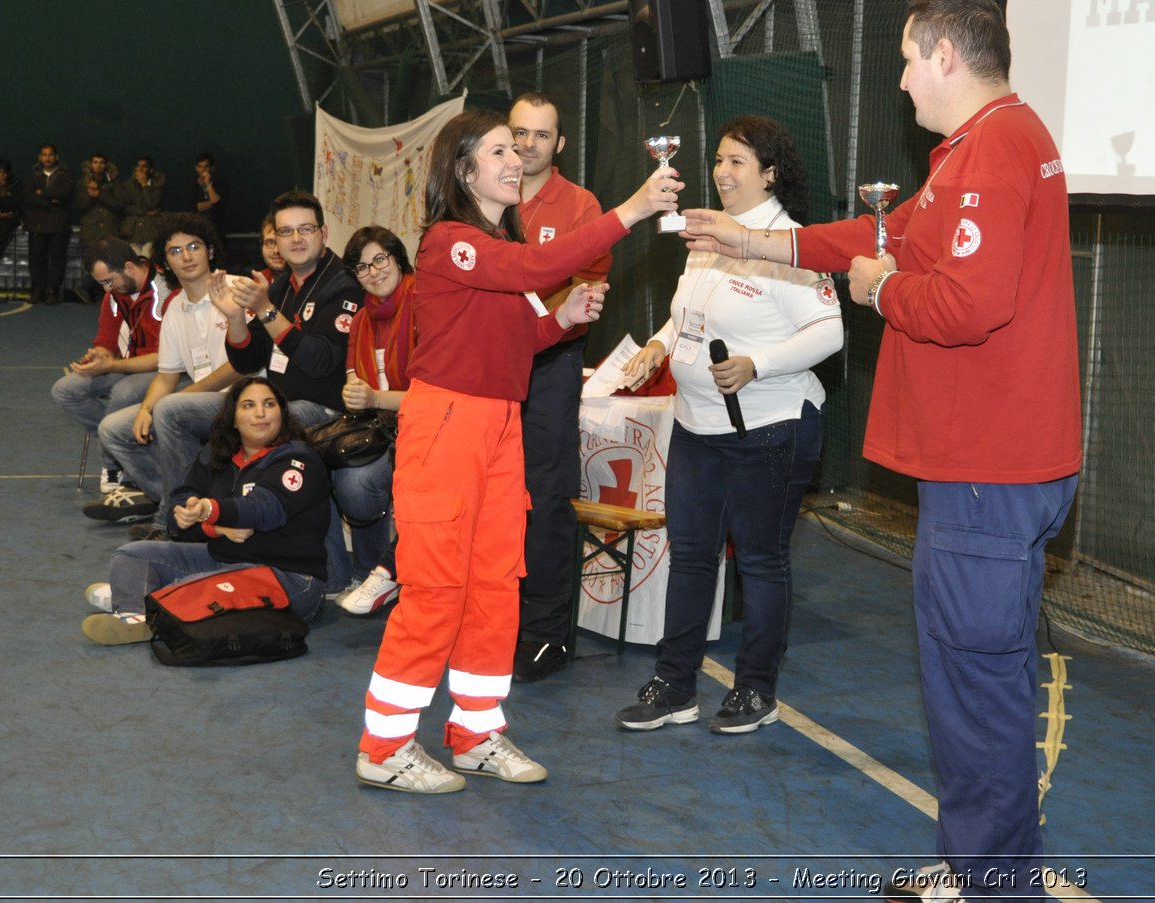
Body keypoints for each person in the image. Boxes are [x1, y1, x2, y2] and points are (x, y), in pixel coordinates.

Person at [680, 0, 1081, 900]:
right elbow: (880, 230)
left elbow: (962, 303)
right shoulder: (991, 145)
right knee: (989, 677)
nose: (900, 80)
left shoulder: (989, 153)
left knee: (973, 685)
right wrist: (752, 242)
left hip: (987, 467)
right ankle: (989, 860)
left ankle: (992, 882)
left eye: (907, 58)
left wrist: (875, 290)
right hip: (1003, 463)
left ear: (947, 54)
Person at [354, 107, 679, 795]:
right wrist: (631, 209)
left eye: (519, 147)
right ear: (464, 169)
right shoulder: (452, 242)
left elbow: (511, 339)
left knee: (497, 584)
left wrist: (557, 321)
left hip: (501, 426)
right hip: (445, 427)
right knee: (437, 588)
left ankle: (473, 731)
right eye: (499, 149)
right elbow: (535, 264)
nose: (516, 157)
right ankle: (383, 746)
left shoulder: (499, 249)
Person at [615, 115, 843, 735]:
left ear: (770, 175)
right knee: (690, 558)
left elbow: (831, 331)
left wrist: (756, 364)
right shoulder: (708, 234)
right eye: (718, 159)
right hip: (696, 428)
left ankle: (754, 691)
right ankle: (675, 685)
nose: (721, 171)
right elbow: (688, 314)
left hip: (771, 429)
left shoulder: (789, 244)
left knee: (762, 563)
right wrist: (661, 345)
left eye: (738, 161)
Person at [81, 377, 329, 645]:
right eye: (248, 405)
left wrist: (208, 509)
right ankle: (134, 616)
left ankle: (144, 598)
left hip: (289, 577)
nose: (260, 413)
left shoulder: (297, 459)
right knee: (131, 555)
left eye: (269, 404)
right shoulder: (217, 453)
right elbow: (180, 506)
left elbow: (265, 510)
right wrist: (213, 526)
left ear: (281, 413)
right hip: (226, 558)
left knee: (200, 584)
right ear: (233, 418)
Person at [507, 92, 613, 682]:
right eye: (518, 133)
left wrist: (538, 314)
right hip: (491, 367)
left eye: (540, 136)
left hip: (550, 366)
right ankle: (494, 617)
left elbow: (588, 292)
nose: (527, 146)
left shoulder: (580, 204)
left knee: (546, 499)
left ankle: (546, 633)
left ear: (559, 144)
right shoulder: (486, 193)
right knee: (492, 494)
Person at [217, 190, 362, 588]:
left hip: (329, 411)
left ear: (323, 233)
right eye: (286, 232)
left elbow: (319, 362)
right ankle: (203, 523)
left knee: (278, 424)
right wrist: (235, 318)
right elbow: (247, 362)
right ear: (275, 241)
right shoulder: (281, 286)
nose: (296, 239)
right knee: (176, 413)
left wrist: (265, 310)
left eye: (305, 229)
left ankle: (329, 574)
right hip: (278, 403)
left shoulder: (343, 285)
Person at [91, 215, 241, 531]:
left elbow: (243, 367)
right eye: (175, 251)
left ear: (210, 251)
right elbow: (166, 375)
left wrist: (177, 400)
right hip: (198, 402)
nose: (185, 257)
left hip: (242, 398)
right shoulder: (175, 307)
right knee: (114, 428)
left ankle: (170, 521)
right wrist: (146, 408)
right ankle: (178, 503)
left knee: (172, 409)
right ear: (166, 263)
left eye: (193, 247)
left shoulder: (237, 289)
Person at [330, 225, 414, 611]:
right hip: (382, 429)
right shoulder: (362, 319)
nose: (373, 272)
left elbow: (437, 392)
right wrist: (353, 392)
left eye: (379, 259)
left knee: (367, 479)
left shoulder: (424, 302)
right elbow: (353, 377)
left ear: (397, 258)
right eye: (362, 268)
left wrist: (376, 397)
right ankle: (367, 571)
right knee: (343, 474)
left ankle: (389, 572)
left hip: (426, 427)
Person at [52, 238, 173, 498]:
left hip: (166, 370)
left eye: (109, 281)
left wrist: (111, 365)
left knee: (123, 393)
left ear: (129, 268)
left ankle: (113, 465)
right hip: (127, 364)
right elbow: (106, 340)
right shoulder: (115, 295)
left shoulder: (165, 293)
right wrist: (98, 356)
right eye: (102, 284)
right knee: (65, 390)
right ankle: (120, 444)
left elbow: (165, 359)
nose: (107, 289)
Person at [24, 144, 75, 305]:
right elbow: (29, 196)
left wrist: (43, 193)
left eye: (50, 155)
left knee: (57, 258)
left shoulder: (65, 174)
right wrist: (51, 201)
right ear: (40, 157)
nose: (47, 158)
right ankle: (37, 290)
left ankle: (52, 291)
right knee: (37, 258)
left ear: (56, 157)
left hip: (59, 223)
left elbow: (65, 194)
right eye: (44, 155)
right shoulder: (33, 174)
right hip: (37, 223)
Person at [116, 156, 165, 255]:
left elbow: (151, 204)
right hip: (132, 231)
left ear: (151, 170)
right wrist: (145, 212)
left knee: (148, 261)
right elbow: (124, 207)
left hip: (151, 231)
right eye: (138, 166)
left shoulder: (158, 185)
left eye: (144, 166)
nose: (141, 169)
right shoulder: (127, 185)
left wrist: (144, 185)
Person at [76, 153, 121, 250]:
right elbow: (81, 207)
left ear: (106, 165)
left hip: (110, 231)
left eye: (101, 163)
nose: (98, 166)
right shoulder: (83, 183)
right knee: (89, 263)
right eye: (95, 162)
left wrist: (100, 195)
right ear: (90, 165)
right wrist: (90, 196)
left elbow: (119, 206)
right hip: (90, 232)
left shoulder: (114, 182)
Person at [191, 152, 225, 238]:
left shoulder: (221, 184)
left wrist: (208, 184)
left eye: (206, 166)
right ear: (196, 168)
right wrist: (213, 203)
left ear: (212, 168)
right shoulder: (191, 185)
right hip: (196, 227)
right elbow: (195, 207)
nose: (203, 170)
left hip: (216, 228)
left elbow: (218, 203)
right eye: (200, 166)